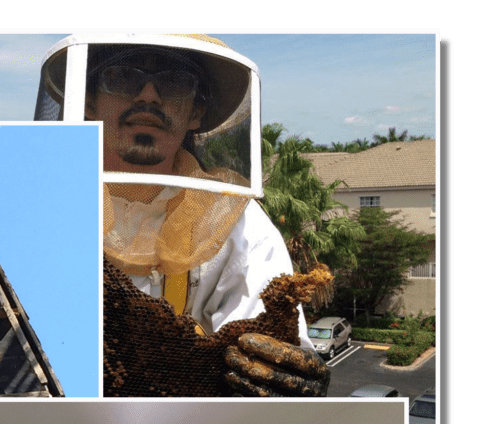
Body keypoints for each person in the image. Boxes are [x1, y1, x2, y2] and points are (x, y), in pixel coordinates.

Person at [35, 32, 328, 396]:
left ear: (195, 112)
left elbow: (266, 347)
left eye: (174, 82)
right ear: (88, 100)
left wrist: (288, 374)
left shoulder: (237, 220)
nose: (148, 95)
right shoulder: (41, 206)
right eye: (123, 77)